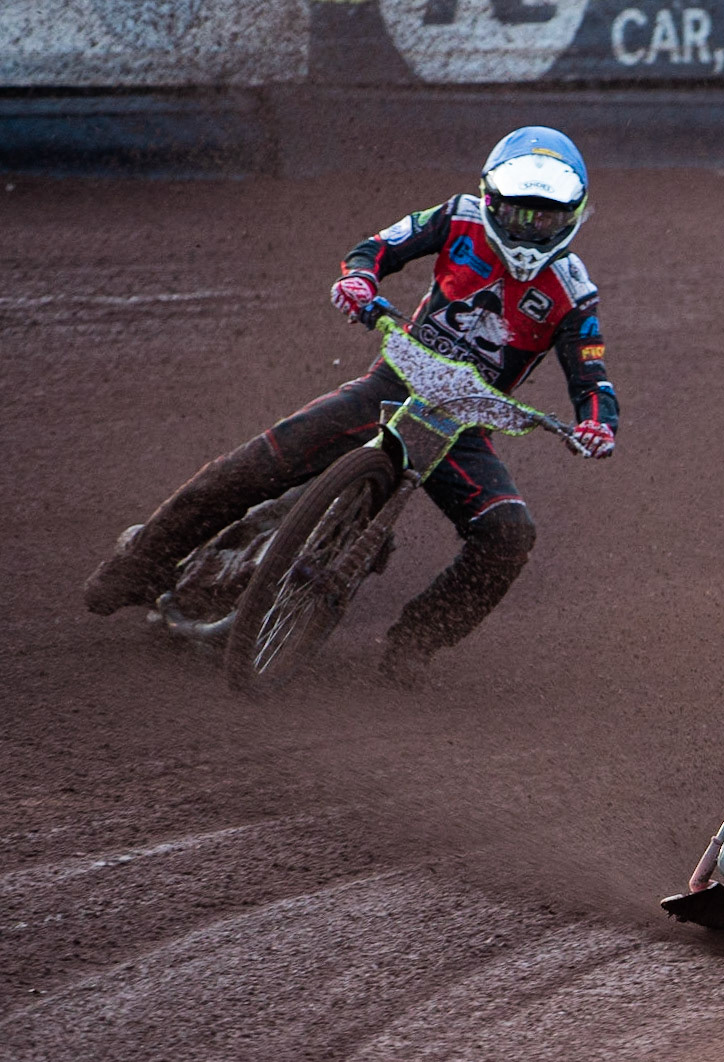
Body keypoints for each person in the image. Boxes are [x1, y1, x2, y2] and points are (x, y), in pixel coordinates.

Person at [83, 126, 618, 675]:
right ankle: (138, 567)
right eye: (517, 214)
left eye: (545, 219)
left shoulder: (574, 294)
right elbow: (377, 248)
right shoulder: (456, 217)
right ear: (490, 200)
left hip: (461, 428)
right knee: (255, 464)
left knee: (509, 534)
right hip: (391, 386)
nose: (528, 230)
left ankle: (415, 643)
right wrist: (360, 280)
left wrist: (598, 424)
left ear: (573, 216)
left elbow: (592, 380)